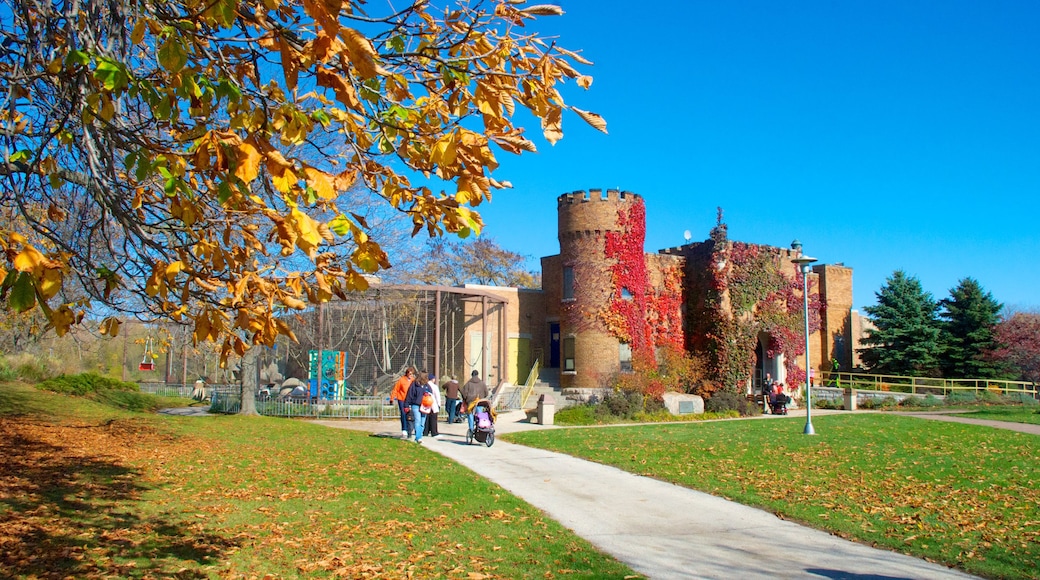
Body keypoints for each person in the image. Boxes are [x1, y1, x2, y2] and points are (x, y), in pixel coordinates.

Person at [404, 371, 434, 444]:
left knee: (422, 423)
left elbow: (431, 392)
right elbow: (409, 395)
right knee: (418, 421)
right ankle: (418, 438)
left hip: (424, 405)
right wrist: (406, 405)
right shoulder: (414, 384)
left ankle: (419, 436)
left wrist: (428, 393)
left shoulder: (427, 385)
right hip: (415, 405)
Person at [461, 370, 488, 434]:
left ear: (472, 375)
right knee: (480, 414)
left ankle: (471, 429)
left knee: (470, 414)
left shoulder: (468, 383)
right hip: (480, 402)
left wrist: (466, 399)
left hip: (470, 401)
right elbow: (486, 393)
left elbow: (463, 393)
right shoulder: (482, 383)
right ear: (477, 375)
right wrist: (482, 397)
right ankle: (481, 427)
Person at [391, 367, 415, 439]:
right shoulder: (402, 380)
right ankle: (404, 430)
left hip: (410, 399)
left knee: (411, 415)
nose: (411, 375)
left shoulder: (413, 381)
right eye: (410, 373)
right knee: (404, 414)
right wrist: (392, 398)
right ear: (407, 373)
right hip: (402, 399)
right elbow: (396, 389)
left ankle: (410, 429)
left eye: (412, 374)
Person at [422, 373, 442, 439]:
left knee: (426, 418)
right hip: (433, 403)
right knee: (433, 419)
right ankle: (434, 432)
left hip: (426, 404)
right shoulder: (434, 386)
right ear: (432, 379)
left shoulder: (424, 385)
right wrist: (439, 404)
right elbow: (437, 396)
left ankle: (425, 431)